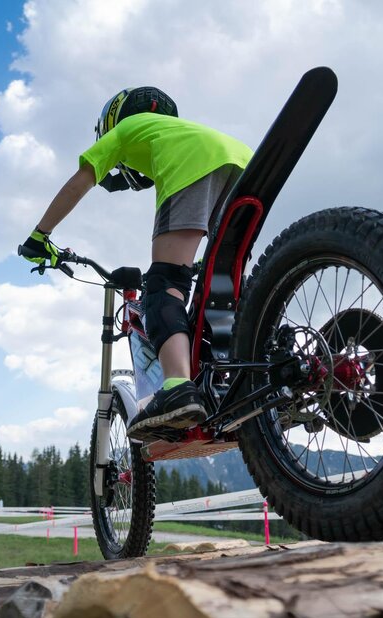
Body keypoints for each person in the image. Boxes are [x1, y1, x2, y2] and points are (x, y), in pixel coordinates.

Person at [20, 86, 252, 439]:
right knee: (223, 281)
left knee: (165, 284)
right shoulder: (173, 130)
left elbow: (79, 183)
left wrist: (40, 235)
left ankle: (177, 387)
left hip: (197, 165)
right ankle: (255, 371)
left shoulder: (125, 130)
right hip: (248, 165)